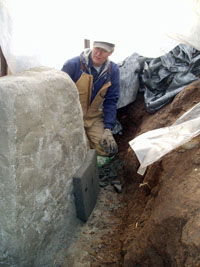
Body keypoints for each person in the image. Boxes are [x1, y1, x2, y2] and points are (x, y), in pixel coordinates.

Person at [61, 41, 120, 157]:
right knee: (82, 154)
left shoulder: (112, 70)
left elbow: (111, 101)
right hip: (72, 118)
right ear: (92, 47)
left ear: (111, 52)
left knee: (107, 150)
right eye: (97, 48)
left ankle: (91, 140)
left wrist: (108, 128)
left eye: (104, 51)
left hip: (93, 117)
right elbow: (58, 95)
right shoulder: (73, 65)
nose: (98, 53)